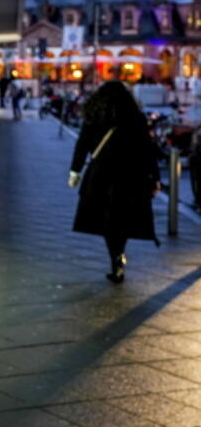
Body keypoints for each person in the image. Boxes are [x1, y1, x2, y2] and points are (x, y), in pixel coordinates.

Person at [67, 81, 161, 283]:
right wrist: (155, 177)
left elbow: (82, 145)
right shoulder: (135, 118)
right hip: (130, 175)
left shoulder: (94, 117)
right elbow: (147, 150)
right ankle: (119, 253)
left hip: (100, 175)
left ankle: (116, 256)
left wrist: (75, 171)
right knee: (122, 218)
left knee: (107, 219)